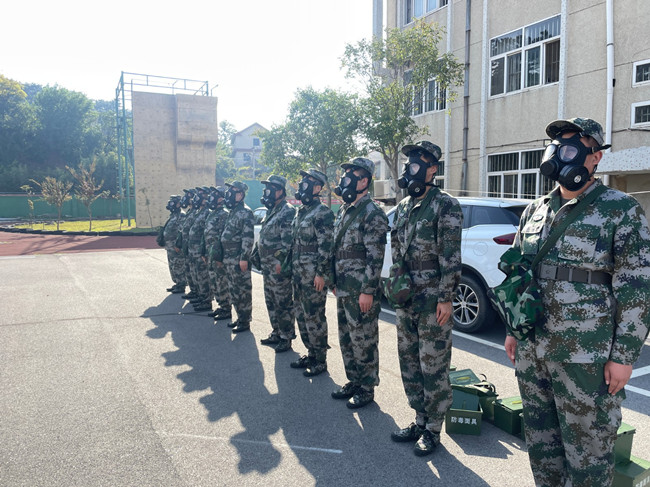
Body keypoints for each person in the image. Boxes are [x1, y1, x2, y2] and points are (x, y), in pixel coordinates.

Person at [504, 117, 650, 486]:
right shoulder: (535, 209)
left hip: (585, 356)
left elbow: (637, 286)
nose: (560, 154)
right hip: (533, 350)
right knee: (542, 446)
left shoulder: (620, 208)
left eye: (571, 147)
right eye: (556, 147)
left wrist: (624, 356)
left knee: (589, 455)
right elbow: (519, 274)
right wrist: (513, 328)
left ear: (595, 157)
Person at [389, 141, 463, 456]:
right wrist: (396, 282)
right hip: (407, 296)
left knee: (433, 364)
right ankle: (419, 419)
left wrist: (446, 298)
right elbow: (396, 247)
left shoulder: (445, 205)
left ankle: (433, 428)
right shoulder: (404, 206)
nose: (411, 167)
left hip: (433, 299)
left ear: (433, 168)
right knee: (409, 361)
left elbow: (451, 256)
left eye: (418, 162)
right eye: (409, 163)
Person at [330, 158, 388, 408]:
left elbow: (375, 256)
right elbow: (336, 248)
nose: (345, 180)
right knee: (347, 337)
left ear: (364, 181)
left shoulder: (372, 213)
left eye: (351, 175)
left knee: (364, 338)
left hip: (360, 289)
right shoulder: (345, 209)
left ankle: (366, 387)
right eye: (345, 175)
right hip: (343, 286)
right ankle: (354, 380)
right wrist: (333, 280)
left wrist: (368, 290)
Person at [285, 168, 334, 377]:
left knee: (314, 317)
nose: (302, 184)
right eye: (302, 180)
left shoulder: (323, 212)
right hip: (298, 273)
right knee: (301, 315)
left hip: (313, 275)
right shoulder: (301, 211)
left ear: (317, 187)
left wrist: (321, 273)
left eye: (308, 181)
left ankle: (320, 359)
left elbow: (326, 246)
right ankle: (311, 353)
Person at [254, 175, 297, 352]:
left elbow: (288, 242)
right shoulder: (272, 210)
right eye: (266, 189)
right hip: (267, 265)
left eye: (270, 188)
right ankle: (276, 332)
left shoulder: (287, 211)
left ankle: (286, 337)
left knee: (282, 302)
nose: (267, 192)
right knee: (271, 300)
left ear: (280, 191)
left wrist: (281, 261)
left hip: (277, 265)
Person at [219, 181, 255, 333]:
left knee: (242, 291)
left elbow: (248, 237)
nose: (230, 194)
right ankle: (239, 317)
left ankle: (245, 321)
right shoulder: (233, 211)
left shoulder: (246, 212)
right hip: (228, 257)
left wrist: (244, 257)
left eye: (233, 191)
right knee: (233, 289)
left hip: (238, 257)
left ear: (240, 194)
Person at [201, 187, 232, 321]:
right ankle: (221, 305)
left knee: (221, 281)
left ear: (221, 198)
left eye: (215, 195)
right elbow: (206, 234)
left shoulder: (223, 214)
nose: (212, 197)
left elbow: (222, 237)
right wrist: (204, 251)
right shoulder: (212, 213)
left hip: (217, 254)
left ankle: (226, 308)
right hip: (210, 253)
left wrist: (219, 256)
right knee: (214, 281)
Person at [187, 187, 213, 312]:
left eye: (202, 194)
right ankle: (200, 295)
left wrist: (203, 250)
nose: (198, 196)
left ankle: (206, 300)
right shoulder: (199, 211)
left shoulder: (207, 212)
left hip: (200, 248)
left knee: (203, 275)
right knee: (196, 273)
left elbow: (205, 232)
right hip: (193, 248)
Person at [161, 195, 186, 294]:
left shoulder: (181, 215)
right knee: (172, 265)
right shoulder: (173, 215)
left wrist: (178, 245)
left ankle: (181, 284)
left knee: (178, 265)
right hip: (169, 246)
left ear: (178, 204)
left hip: (175, 246)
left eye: (173, 202)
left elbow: (181, 232)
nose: (170, 204)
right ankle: (177, 283)